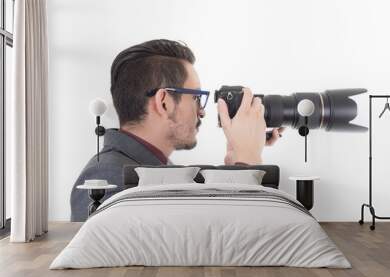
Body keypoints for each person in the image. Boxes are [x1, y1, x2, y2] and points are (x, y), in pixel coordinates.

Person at [70, 39, 284, 222]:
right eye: (196, 98)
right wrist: (249, 159)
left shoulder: (155, 167)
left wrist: (236, 166)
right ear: (164, 102)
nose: (201, 112)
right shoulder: (106, 176)